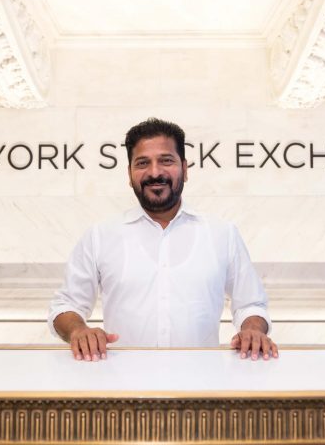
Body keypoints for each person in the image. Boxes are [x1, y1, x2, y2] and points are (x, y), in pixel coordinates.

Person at [48, 118, 277, 362]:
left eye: (166, 161)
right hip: (122, 389)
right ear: (129, 174)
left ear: (185, 169)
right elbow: (66, 305)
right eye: (142, 163)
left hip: (203, 386)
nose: (155, 172)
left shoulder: (222, 233)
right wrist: (78, 330)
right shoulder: (100, 236)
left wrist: (252, 329)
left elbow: (251, 305)